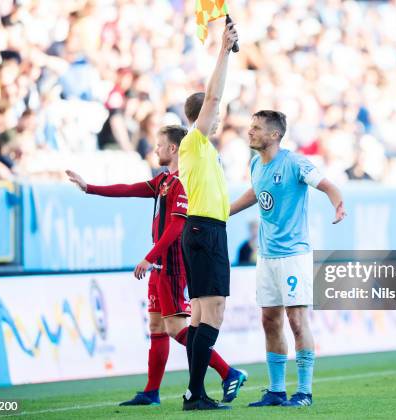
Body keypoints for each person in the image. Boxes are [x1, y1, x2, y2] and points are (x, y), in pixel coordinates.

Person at [66, 125, 245, 407]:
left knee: (175, 327)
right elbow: (128, 189)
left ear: (173, 149)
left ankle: (228, 372)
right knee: (156, 325)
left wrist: (150, 257)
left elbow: (176, 225)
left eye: (160, 145)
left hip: (172, 265)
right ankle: (151, 391)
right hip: (159, 265)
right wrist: (90, 188)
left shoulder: (184, 182)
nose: (155, 149)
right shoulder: (163, 181)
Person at [230, 110, 346, 408]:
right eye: (250, 126)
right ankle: (277, 391)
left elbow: (328, 185)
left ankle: (304, 392)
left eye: (256, 128)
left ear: (274, 135)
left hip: (294, 255)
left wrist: (337, 205)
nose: (250, 132)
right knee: (269, 319)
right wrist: (222, 212)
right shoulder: (256, 163)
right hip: (267, 256)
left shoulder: (294, 163)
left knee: (296, 320)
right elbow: (255, 194)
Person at [177, 21, 242, 411]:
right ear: (200, 115)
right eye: (211, 114)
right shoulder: (195, 142)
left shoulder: (202, 150)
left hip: (204, 228)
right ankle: (195, 392)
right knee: (213, 311)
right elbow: (215, 98)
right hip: (205, 231)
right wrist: (224, 50)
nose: (218, 118)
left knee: (201, 316)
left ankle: (194, 393)